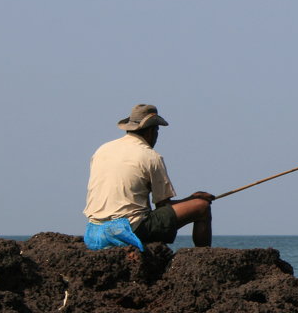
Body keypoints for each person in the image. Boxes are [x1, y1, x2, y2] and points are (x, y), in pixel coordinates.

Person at [84, 104, 215, 249]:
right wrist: (194, 200)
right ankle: (204, 256)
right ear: (151, 131)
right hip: (130, 228)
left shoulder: (103, 150)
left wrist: (191, 198)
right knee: (202, 207)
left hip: (95, 229)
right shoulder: (150, 156)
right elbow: (163, 206)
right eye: (157, 130)